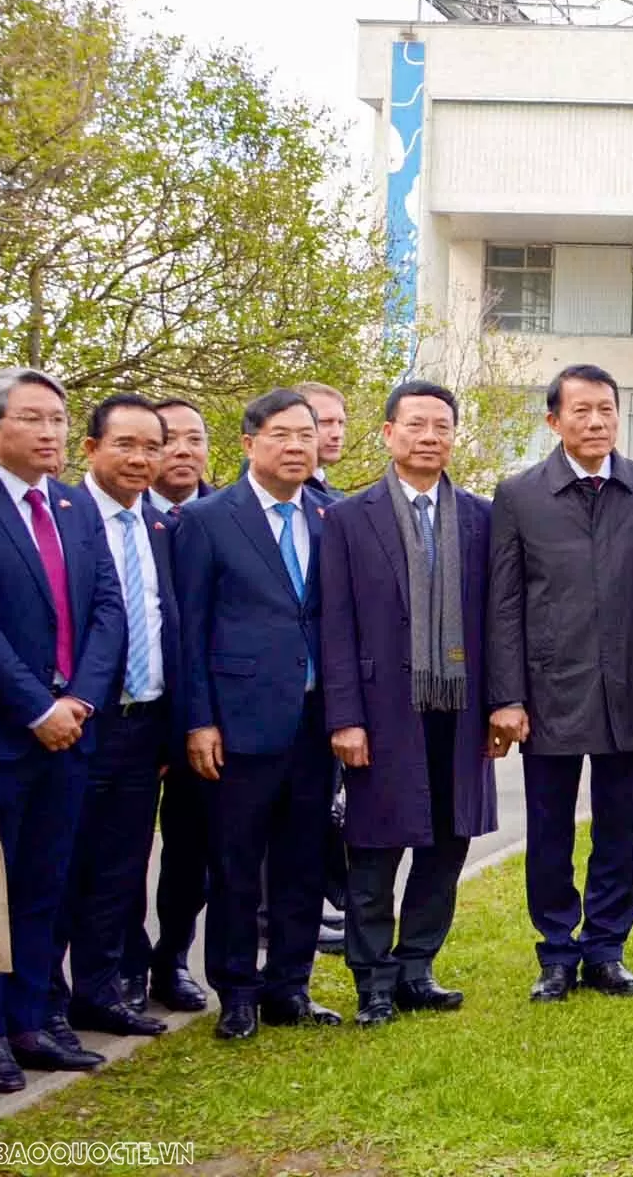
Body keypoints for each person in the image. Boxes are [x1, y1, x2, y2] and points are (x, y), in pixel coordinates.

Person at [319, 381, 498, 1026]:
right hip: (380, 706)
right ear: (388, 433)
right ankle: (372, 980)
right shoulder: (346, 518)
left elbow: (501, 619)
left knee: (447, 843)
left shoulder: (482, 517)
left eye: (442, 426)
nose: (430, 437)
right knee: (372, 849)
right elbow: (333, 624)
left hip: (461, 705)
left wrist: (504, 703)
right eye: (417, 425)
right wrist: (344, 717)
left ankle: (418, 967)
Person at [487, 364, 633, 1003]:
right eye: (581, 411)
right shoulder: (521, 495)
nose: (596, 422)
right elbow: (504, 605)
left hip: (626, 691)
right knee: (550, 830)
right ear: (553, 420)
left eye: (607, 410)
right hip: (548, 690)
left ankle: (607, 949)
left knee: (620, 829)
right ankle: (557, 952)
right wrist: (506, 697)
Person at [171, 388, 342, 1040]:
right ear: (248, 444)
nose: (298, 445)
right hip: (236, 723)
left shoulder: (332, 516)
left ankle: (289, 988)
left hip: (313, 720)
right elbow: (189, 627)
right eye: (283, 434)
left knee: (303, 861)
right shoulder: (210, 520)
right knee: (237, 864)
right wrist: (198, 720)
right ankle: (237, 991)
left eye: (307, 433)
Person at [0, 369, 126, 1090]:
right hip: (2, 736)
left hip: (75, 730)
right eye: (33, 419)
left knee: (47, 883)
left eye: (58, 420)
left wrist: (81, 703)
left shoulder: (73, 506)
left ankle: (34, 1021)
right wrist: (37, 708)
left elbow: (107, 610)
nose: (50, 433)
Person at [54, 396, 182, 1043]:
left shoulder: (163, 528)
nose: (140, 459)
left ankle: (100, 994)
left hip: (145, 724)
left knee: (121, 869)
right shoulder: (62, 517)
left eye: (151, 447)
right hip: (77, 723)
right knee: (59, 867)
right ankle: (42, 1004)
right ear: (91, 448)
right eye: (125, 445)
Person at [130, 396, 215, 1015]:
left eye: (195, 439)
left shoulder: (225, 516)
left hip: (209, 717)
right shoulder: (126, 521)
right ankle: (124, 961)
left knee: (194, 852)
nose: (183, 452)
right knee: (124, 852)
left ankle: (173, 958)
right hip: (136, 716)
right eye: (170, 441)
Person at [292, 380, 349, 955]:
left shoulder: (328, 501)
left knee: (314, 809)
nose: (330, 434)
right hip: (270, 693)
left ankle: (308, 911)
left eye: (336, 423)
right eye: (318, 424)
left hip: (320, 692)